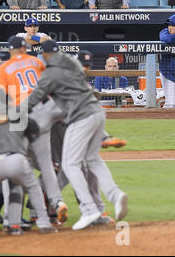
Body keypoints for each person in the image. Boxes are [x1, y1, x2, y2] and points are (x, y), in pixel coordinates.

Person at [17, 40, 128, 230]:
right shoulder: (73, 65)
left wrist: (13, 113)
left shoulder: (50, 73)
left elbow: (35, 98)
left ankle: (88, 209)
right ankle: (115, 195)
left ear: (44, 56)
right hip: (97, 112)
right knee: (92, 159)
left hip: (80, 116)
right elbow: (89, 90)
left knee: (70, 165)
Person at [0, 36, 68, 226]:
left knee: (13, 163)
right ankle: (56, 202)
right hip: (42, 112)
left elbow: (1, 97)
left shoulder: (3, 68)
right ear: (24, 48)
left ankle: (10, 217)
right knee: (46, 163)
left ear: (10, 51)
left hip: (19, 115)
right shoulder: (36, 62)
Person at [0, 96, 58, 237]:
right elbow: (35, 128)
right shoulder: (16, 112)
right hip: (15, 160)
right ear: (8, 102)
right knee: (28, 187)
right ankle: (29, 224)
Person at [158, 13, 175, 108]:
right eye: (169, 25)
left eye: (173, 25)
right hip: (168, 73)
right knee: (172, 103)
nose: (170, 28)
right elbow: (168, 38)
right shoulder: (164, 32)